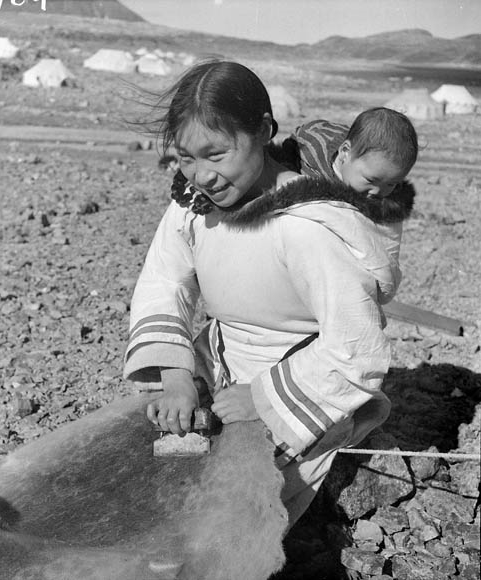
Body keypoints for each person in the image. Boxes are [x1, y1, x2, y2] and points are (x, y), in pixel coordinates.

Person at [123, 60, 400, 526]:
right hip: (221, 359)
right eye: (186, 158)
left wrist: (262, 399)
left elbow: (357, 347)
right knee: (135, 466)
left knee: (225, 513)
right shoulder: (194, 208)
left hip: (302, 388)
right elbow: (165, 279)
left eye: (216, 155)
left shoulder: (310, 224)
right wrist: (175, 377)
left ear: (264, 131)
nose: (201, 176)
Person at [273, 108, 418, 274]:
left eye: (391, 184)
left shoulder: (372, 168)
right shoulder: (314, 159)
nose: (378, 191)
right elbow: (299, 142)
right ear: (344, 153)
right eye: (371, 181)